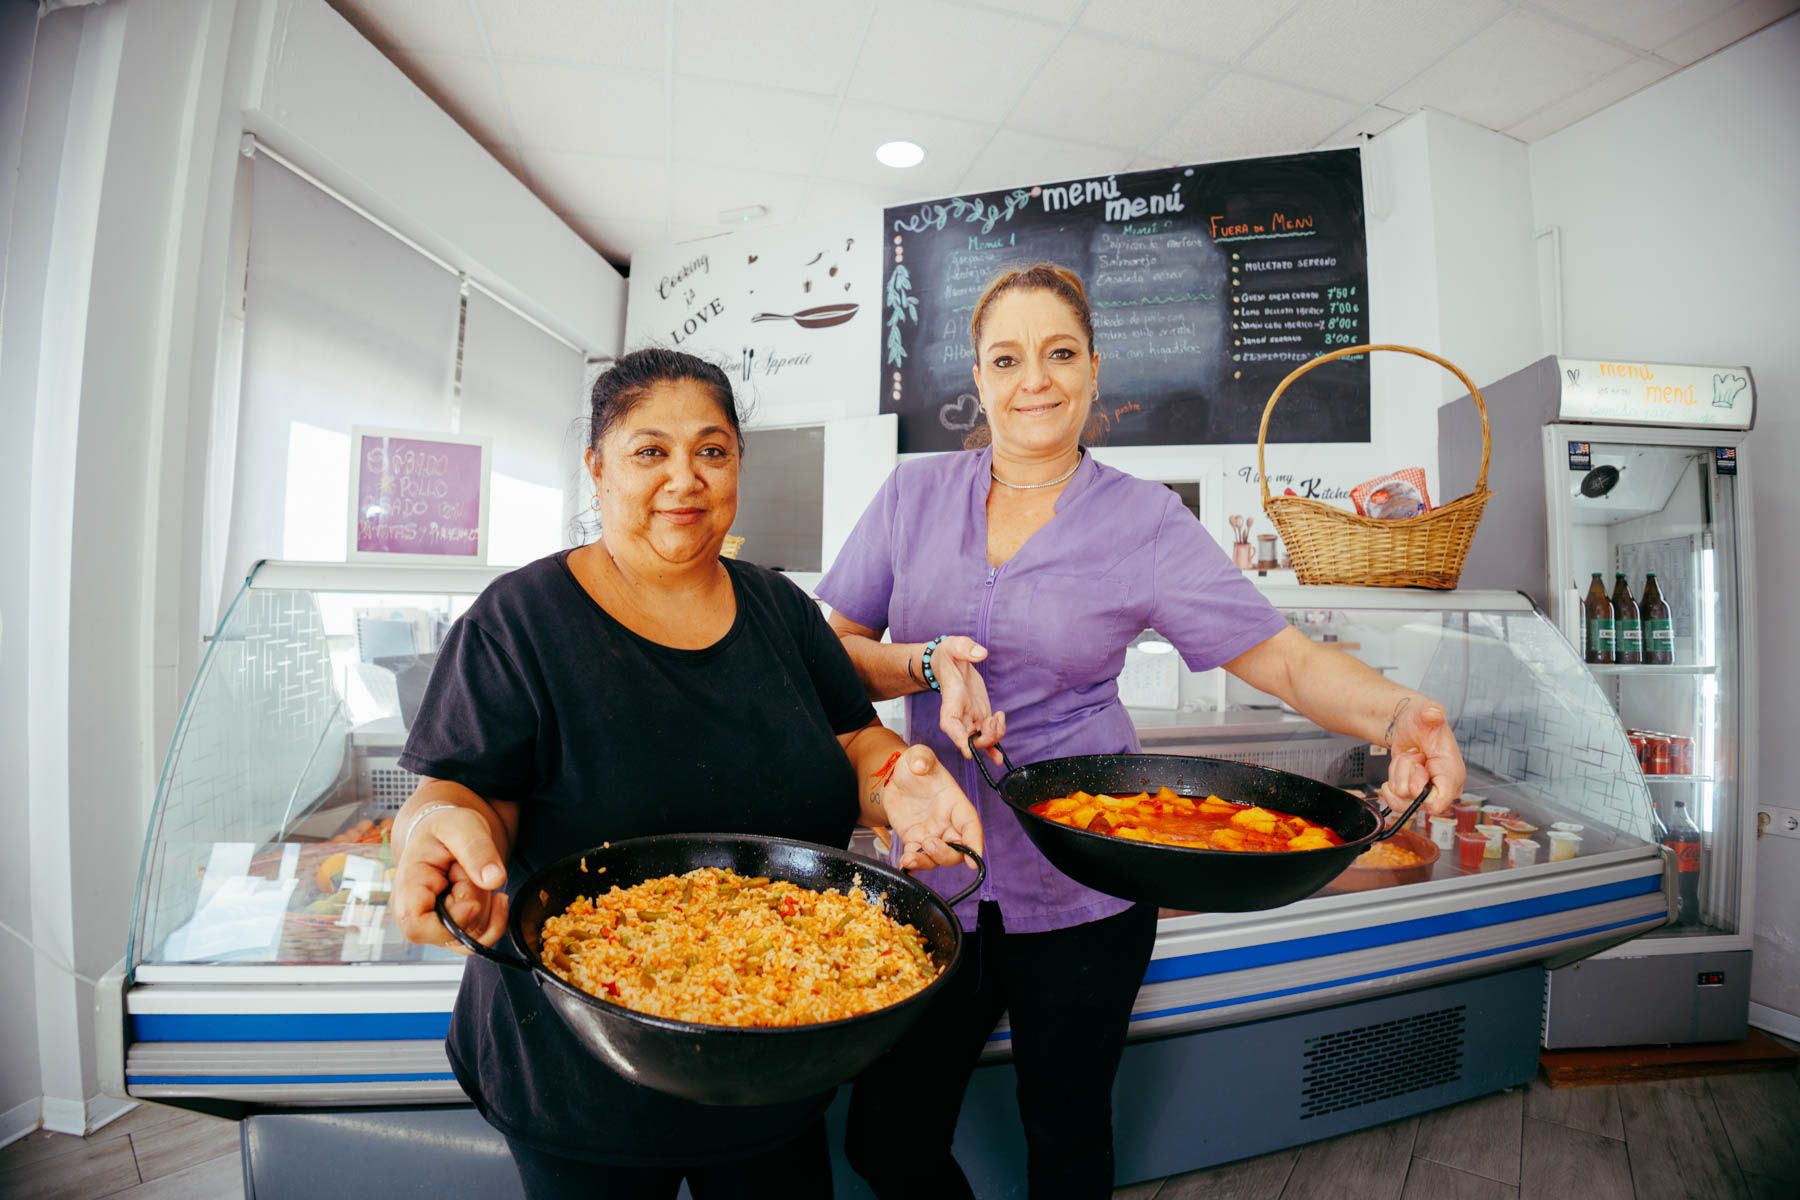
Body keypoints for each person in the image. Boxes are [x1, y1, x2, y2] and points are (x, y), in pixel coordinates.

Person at [818, 264, 1467, 1199]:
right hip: (934, 872)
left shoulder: (1146, 520)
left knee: (1068, 1136)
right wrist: (924, 663)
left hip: (1089, 884)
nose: (1034, 380)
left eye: (1059, 354)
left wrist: (1403, 713)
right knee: (887, 1136)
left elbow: (1285, 660)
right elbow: (829, 655)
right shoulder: (910, 497)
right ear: (978, 377)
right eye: (1007, 359)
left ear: (1094, 369)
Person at [389, 348, 984, 1200]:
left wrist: (898, 779)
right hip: (580, 1070)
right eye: (649, 452)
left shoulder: (780, 609)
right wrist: (436, 831)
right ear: (598, 468)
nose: (685, 477)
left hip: (780, 1049)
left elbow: (853, 738)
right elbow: (461, 795)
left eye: (712, 450)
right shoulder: (519, 622)